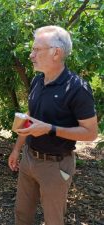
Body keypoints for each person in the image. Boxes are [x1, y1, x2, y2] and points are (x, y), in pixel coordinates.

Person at [8, 25, 98, 225]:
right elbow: (30, 117)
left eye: (36, 50)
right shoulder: (37, 81)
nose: (31, 55)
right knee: (22, 214)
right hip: (28, 159)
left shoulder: (77, 88)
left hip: (56, 166)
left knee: (53, 220)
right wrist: (17, 149)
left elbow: (91, 133)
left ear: (56, 52)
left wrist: (50, 129)